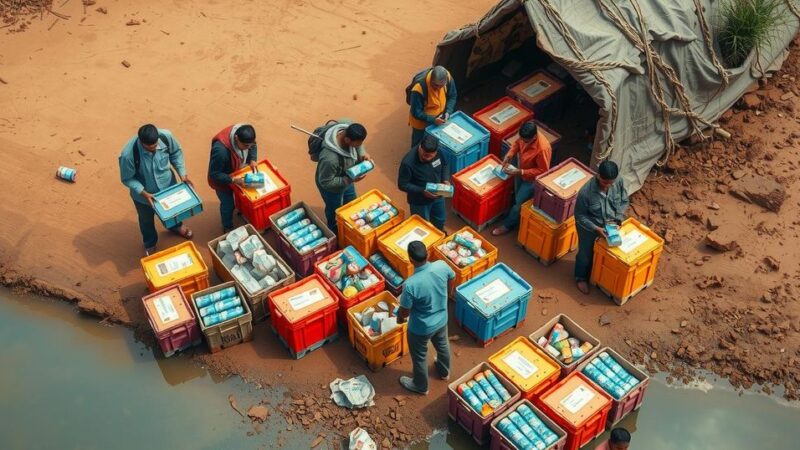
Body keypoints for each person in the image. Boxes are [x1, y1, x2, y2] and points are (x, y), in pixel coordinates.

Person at [119, 124, 194, 256]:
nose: (154, 149)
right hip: (144, 197)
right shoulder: (128, 155)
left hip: (168, 187)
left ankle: (175, 226)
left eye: (156, 146)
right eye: (150, 148)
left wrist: (183, 174)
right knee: (146, 220)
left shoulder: (166, 137)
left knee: (172, 211)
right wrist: (144, 193)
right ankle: (150, 243)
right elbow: (127, 178)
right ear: (142, 142)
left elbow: (176, 153)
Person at [397, 241, 455, 395]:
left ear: (410, 260)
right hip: (442, 318)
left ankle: (420, 386)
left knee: (420, 357)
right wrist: (448, 294)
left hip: (420, 328)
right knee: (443, 345)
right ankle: (444, 372)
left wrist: (400, 319)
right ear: (428, 254)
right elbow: (452, 277)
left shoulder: (410, 285)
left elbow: (404, 312)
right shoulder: (441, 266)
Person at [574, 160, 629, 294]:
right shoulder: (585, 193)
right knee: (585, 255)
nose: (608, 186)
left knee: (608, 251)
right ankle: (580, 278)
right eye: (605, 183)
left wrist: (618, 218)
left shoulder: (618, 181)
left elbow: (624, 200)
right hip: (589, 228)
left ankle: (597, 274)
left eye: (611, 183)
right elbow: (580, 216)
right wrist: (596, 228)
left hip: (610, 225)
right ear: (598, 175)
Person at [492, 121, 552, 236]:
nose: (523, 142)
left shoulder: (543, 149)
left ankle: (508, 225)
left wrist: (521, 171)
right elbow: (517, 143)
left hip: (531, 180)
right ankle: (513, 214)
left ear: (534, 137)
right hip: (520, 170)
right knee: (516, 194)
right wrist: (509, 155)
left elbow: (543, 170)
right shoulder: (524, 137)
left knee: (519, 202)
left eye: (526, 141)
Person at [315, 122, 371, 233]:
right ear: (347, 140)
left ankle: (352, 226)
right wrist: (349, 179)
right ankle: (334, 229)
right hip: (332, 188)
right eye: (357, 144)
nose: (359, 145)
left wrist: (363, 153)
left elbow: (359, 145)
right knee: (335, 210)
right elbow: (326, 182)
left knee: (351, 203)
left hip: (347, 177)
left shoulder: (347, 125)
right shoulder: (330, 159)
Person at [207, 124, 259, 233]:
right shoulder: (221, 151)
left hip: (236, 171)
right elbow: (214, 174)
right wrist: (233, 180)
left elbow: (253, 145)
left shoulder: (245, 135)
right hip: (222, 179)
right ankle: (227, 225)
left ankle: (240, 209)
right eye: (245, 146)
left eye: (250, 145)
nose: (248, 148)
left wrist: (253, 159)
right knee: (228, 204)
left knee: (243, 194)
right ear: (236, 139)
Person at [397, 134, 449, 232]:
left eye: (431, 156)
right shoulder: (408, 162)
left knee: (440, 220)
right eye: (425, 155)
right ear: (420, 147)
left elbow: (445, 165)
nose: (428, 158)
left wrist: (445, 179)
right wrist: (422, 191)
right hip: (419, 201)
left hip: (438, 195)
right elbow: (402, 184)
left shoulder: (439, 152)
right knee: (421, 226)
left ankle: (440, 234)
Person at [408, 66, 457, 148]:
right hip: (421, 124)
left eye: (441, 86)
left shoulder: (448, 77)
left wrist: (448, 112)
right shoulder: (418, 89)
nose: (438, 89)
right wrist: (433, 119)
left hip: (439, 119)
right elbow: (416, 112)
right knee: (418, 145)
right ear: (431, 80)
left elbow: (452, 96)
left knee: (433, 145)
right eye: (435, 86)